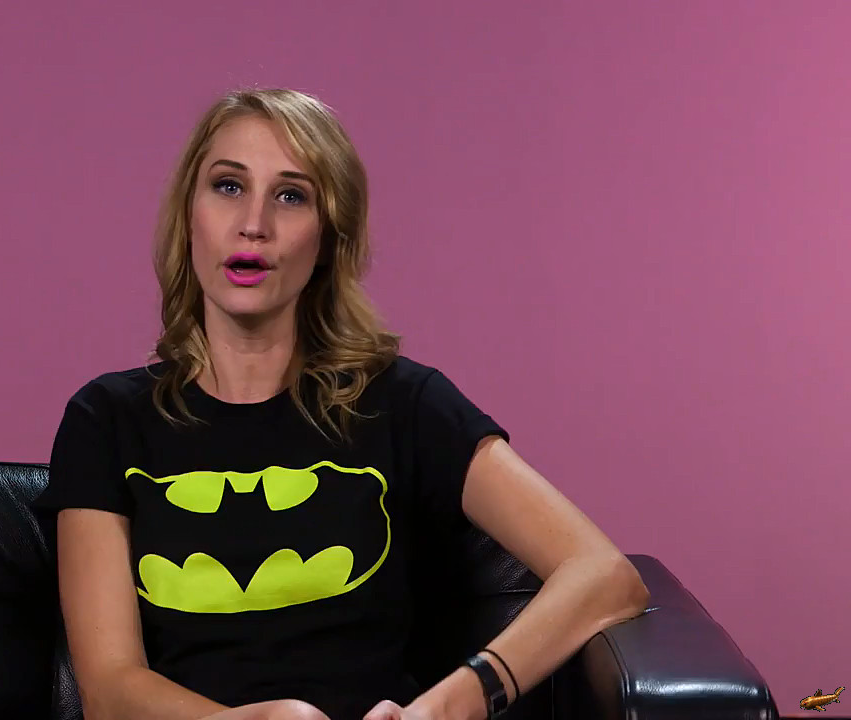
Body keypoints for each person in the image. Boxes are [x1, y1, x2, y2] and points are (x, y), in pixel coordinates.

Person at [33, 87, 650, 720]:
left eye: (291, 196)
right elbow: (110, 691)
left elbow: (604, 573)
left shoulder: (404, 404)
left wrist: (453, 702)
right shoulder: (107, 419)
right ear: (189, 214)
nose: (253, 223)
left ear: (329, 237)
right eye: (228, 186)